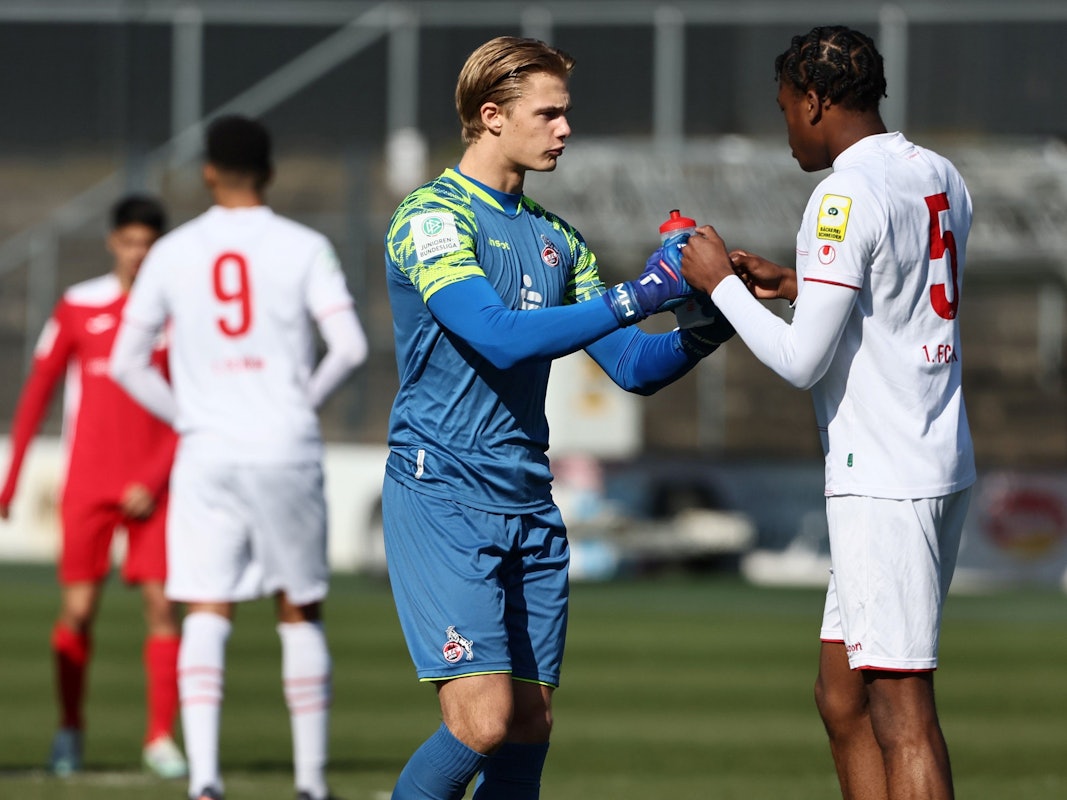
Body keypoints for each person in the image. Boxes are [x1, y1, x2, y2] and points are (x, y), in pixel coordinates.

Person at [382, 35, 735, 800]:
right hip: (442, 492)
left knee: (530, 723)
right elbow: (496, 337)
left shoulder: (557, 239)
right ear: (490, 116)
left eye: (564, 113)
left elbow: (632, 368)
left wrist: (715, 312)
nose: (564, 129)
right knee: (480, 720)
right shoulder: (431, 219)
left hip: (526, 500)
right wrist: (641, 291)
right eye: (548, 114)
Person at [680, 26, 974, 800]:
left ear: (813, 101)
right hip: (932, 451)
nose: (785, 132)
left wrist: (722, 287)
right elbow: (896, 304)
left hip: (883, 476)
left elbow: (800, 362)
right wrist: (791, 283)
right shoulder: (936, 172)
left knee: (900, 710)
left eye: (784, 111)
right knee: (840, 696)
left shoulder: (840, 193)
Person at [109, 115, 368, 800]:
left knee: (205, 607)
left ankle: (204, 781)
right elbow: (350, 346)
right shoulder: (304, 245)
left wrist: (190, 416)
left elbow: (125, 362)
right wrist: (297, 403)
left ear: (208, 173)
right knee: (299, 608)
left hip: (207, 452)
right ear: (271, 171)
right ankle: (311, 785)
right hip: (284, 446)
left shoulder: (173, 251)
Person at [0, 194, 188, 779]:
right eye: (129, 241)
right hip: (89, 482)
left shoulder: (180, 312)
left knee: (163, 607)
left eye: (148, 243)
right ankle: (70, 729)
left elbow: (195, 405)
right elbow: (36, 395)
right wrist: (11, 482)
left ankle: (160, 738)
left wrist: (155, 475)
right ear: (114, 242)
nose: (138, 253)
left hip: (156, 487)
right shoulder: (79, 306)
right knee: (77, 611)